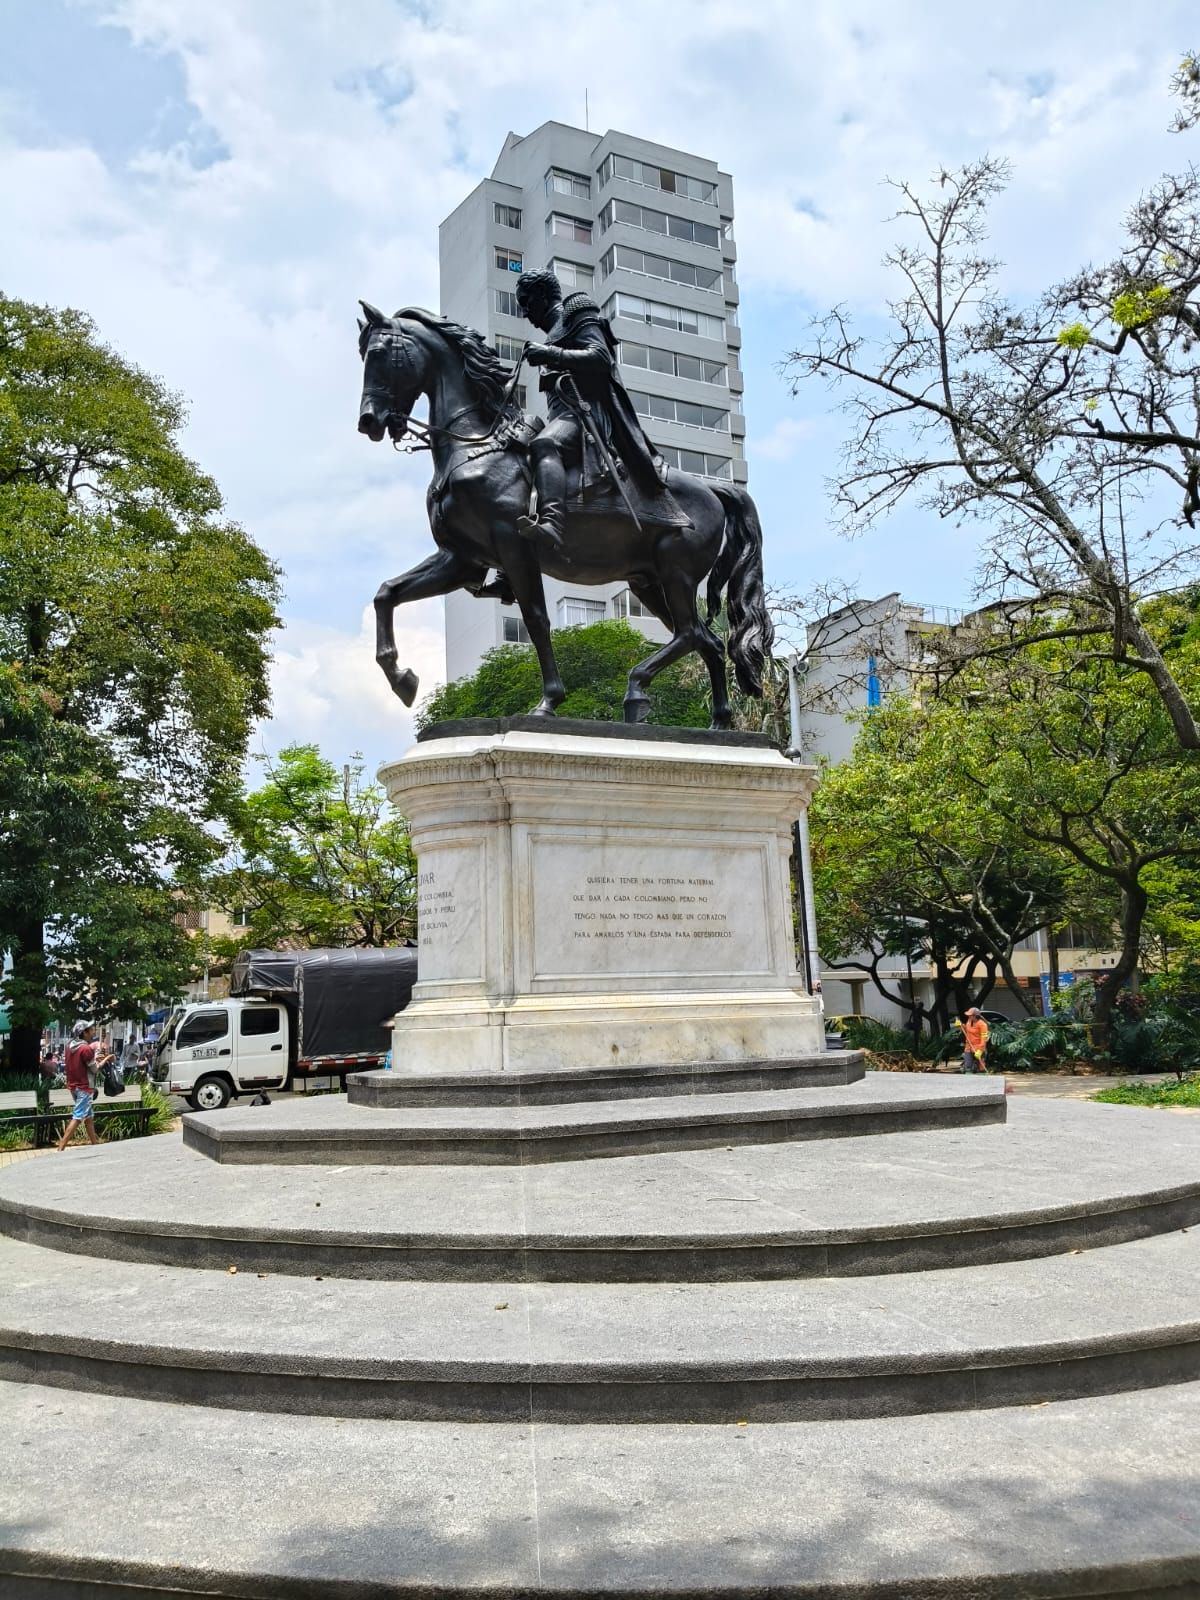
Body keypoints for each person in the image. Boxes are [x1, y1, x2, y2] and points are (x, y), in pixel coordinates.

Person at [514, 269, 676, 548]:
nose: (526, 313)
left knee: (544, 445)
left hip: (587, 419)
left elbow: (600, 357)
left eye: (527, 302)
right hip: (561, 418)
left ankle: (552, 522)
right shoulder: (551, 333)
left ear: (543, 296)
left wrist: (551, 353)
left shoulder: (575, 310)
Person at [55, 1022, 112, 1152]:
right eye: (90, 1030)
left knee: (88, 1116)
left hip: (73, 1086)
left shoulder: (69, 1046)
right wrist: (106, 1059)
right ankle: (60, 1148)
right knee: (78, 1116)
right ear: (84, 1033)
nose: (93, 1032)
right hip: (85, 1087)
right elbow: (95, 1069)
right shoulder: (86, 1049)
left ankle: (94, 1144)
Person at [960, 1007, 990, 1073]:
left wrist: (980, 1050)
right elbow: (967, 1030)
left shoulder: (983, 1025)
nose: (968, 1016)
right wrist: (961, 1026)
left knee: (981, 1068)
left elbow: (984, 1038)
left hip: (979, 1047)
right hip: (969, 1046)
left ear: (975, 1016)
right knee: (968, 1066)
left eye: (970, 1015)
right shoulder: (969, 1021)